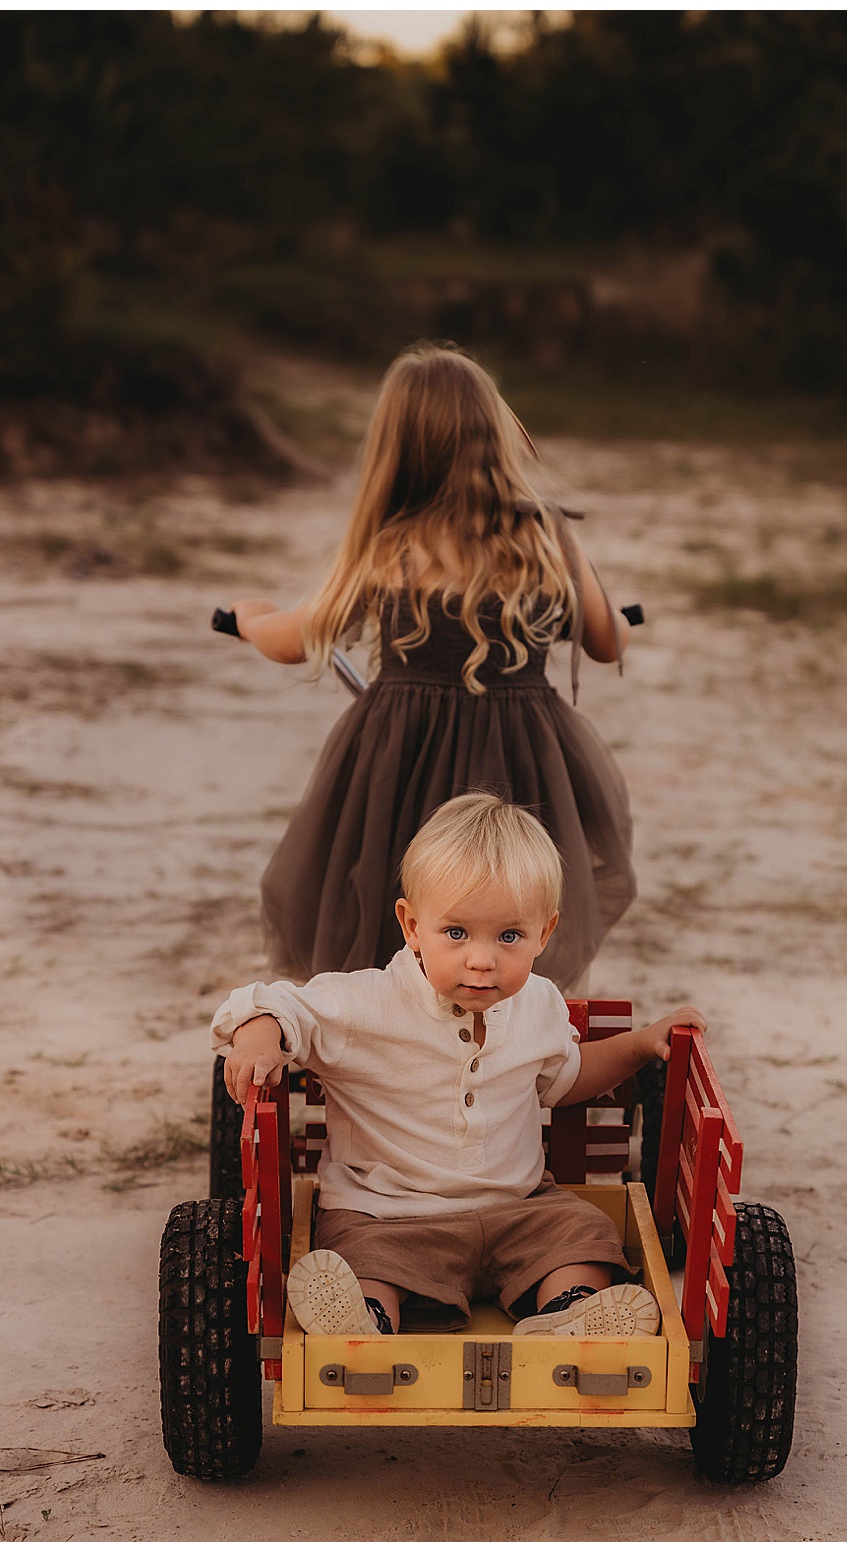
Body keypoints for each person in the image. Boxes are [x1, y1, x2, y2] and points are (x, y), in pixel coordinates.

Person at [212, 793, 704, 1339]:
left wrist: (640, 1044)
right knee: (366, 1258)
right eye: (456, 933)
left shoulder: (538, 1003)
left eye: (509, 936)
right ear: (411, 924)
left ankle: (572, 1310)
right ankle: (363, 1321)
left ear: (545, 932)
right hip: (390, 1214)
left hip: (518, 1209)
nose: (481, 958)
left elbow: (566, 1078)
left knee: (582, 1230)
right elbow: (271, 1002)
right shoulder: (365, 1004)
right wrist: (259, 1037)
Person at [224, 342, 635, 995]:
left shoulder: (390, 542)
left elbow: (295, 639)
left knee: (389, 881)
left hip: (401, 759)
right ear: (494, 431)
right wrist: (612, 615)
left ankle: (392, 1022)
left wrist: (250, 617)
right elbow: (607, 638)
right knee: (509, 888)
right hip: (522, 757)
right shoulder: (546, 534)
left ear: (396, 446)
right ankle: (510, 1017)